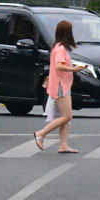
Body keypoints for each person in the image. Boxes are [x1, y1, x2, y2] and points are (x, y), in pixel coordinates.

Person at [34, 20, 87, 153]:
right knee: (67, 116)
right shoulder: (60, 49)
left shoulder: (58, 47)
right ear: (67, 33)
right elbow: (58, 66)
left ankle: (63, 145)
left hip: (63, 85)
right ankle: (41, 133)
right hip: (60, 86)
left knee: (65, 117)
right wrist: (73, 69)